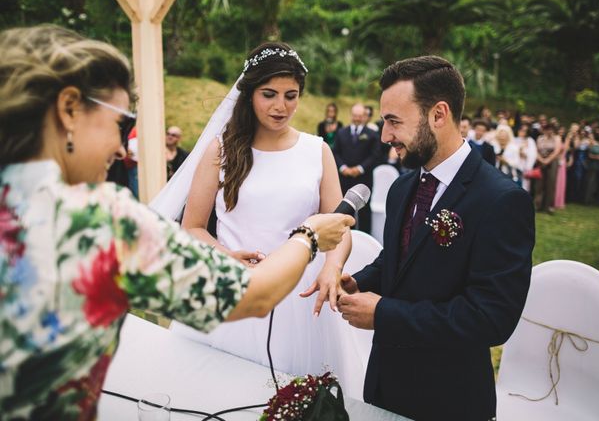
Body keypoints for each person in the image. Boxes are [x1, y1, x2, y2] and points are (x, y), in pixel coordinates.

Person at [0, 26, 353, 419]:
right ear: (68, 109)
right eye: (120, 123)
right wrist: (308, 236)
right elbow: (249, 295)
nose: (121, 148)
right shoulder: (98, 223)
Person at [154, 42, 366, 396]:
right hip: (235, 287)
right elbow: (191, 227)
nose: (281, 106)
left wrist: (333, 266)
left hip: (298, 294)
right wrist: (223, 253)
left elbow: (339, 225)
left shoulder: (317, 151)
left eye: (291, 95)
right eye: (269, 94)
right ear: (250, 93)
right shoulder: (221, 149)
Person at [336, 56, 534, 420]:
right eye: (384, 122)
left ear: (439, 114)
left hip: (448, 398)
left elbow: (491, 318)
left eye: (394, 121)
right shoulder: (401, 187)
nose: (385, 136)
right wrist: (358, 281)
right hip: (383, 383)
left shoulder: (502, 201)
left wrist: (384, 313)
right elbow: (397, 260)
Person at [332, 103, 381, 233]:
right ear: (351, 115)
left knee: (365, 211)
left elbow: (375, 155)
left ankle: (366, 236)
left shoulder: (372, 134)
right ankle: (346, 236)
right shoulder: (341, 132)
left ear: (364, 116)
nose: (357, 118)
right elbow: (335, 152)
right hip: (344, 178)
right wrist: (343, 168)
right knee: (346, 208)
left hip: (364, 178)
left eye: (360, 116)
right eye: (355, 115)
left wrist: (359, 168)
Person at [535, 124, 562, 213]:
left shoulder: (557, 138)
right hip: (541, 161)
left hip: (552, 162)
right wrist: (541, 159)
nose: (549, 131)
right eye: (547, 129)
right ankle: (539, 205)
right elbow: (536, 150)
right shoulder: (540, 138)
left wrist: (548, 160)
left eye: (551, 129)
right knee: (540, 184)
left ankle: (549, 206)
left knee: (551, 183)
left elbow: (557, 151)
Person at [513, 123, 538, 193]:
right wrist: (518, 152)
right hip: (515, 165)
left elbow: (533, 154)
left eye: (524, 131)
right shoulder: (514, 140)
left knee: (525, 185)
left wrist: (526, 155)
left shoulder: (530, 141)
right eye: (521, 130)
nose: (522, 132)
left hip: (526, 166)